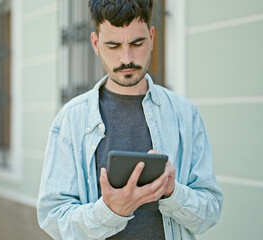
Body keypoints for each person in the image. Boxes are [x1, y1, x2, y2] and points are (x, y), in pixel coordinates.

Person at [37, 1, 223, 239]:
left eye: (137, 43)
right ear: (95, 43)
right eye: (113, 45)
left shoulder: (184, 114)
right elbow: (53, 218)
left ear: (152, 36)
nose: (126, 58)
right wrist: (110, 211)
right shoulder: (71, 120)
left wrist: (172, 193)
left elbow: (210, 211)